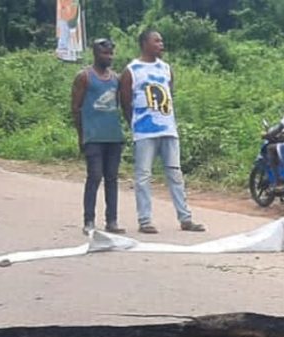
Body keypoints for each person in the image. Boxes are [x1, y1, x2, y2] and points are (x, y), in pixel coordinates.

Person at [123, 29, 204, 234]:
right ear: (144, 44)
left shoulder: (166, 68)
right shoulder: (132, 70)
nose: (161, 44)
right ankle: (145, 220)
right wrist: (134, 122)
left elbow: (170, 93)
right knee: (143, 176)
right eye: (156, 41)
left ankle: (185, 218)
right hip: (144, 132)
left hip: (168, 129)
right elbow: (124, 101)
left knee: (175, 174)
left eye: (161, 40)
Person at [71, 38, 127, 234]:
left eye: (111, 53)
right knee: (94, 177)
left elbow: (122, 104)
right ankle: (89, 221)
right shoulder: (84, 76)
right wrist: (81, 135)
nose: (109, 57)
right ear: (95, 53)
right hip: (93, 136)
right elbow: (76, 107)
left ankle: (112, 220)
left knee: (112, 178)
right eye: (105, 53)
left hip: (113, 136)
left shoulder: (116, 79)